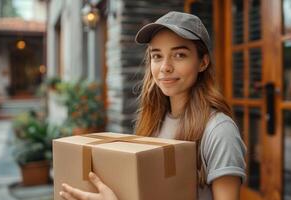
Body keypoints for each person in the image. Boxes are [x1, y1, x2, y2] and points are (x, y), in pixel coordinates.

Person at [59, 11, 246, 200]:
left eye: (179, 55)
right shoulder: (153, 121)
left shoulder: (219, 131)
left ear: (202, 63)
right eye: (157, 56)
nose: (165, 66)